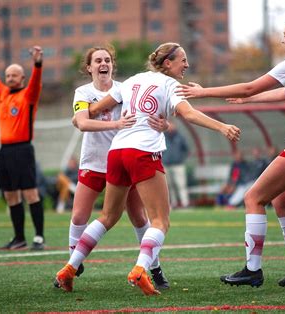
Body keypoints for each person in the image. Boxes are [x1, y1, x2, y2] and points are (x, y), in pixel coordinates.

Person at [55, 42, 240, 295]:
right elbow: (189, 114)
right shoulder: (171, 84)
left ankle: (69, 267)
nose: (186, 65)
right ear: (167, 64)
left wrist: (81, 117)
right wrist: (222, 127)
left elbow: (95, 109)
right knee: (161, 221)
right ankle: (141, 269)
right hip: (142, 153)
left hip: (117, 152)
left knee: (108, 217)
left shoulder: (132, 80)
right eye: (182, 60)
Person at [177, 17, 285, 288]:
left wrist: (202, 92)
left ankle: (252, 269)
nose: (282, 39)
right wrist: (249, 100)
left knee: (253, 198)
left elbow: (250, 85)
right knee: (281, 202)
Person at [54, 45, 173, 291]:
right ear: (89, 68)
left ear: (112, 65)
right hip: (95, 161)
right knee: (79, 215)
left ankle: (155, 269)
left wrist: (163, 125)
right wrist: (115, 123)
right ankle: (72, 264)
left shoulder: (125, 88)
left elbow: (148, 119)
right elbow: (83, 123)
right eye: (97, 60)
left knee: (139, 217)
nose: (103, 63)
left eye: (107, 59)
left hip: (121, 161)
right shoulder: (82, 92)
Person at [0, 34, 45, 250]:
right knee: (9, 195)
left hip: (23, 150)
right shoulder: (2, 93)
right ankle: (19, 238)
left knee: (30, 193)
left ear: (22, 78)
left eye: (14, 75)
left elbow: (36, 81)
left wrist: (38, 63)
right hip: (5, 151)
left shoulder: (28, 95)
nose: (10, 78)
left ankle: (39, 237)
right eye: (8, 75)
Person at [162, 120, 190, 208]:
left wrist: (180, 158)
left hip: (178, 165)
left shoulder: (180, 137)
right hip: (166, 164)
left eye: (172, 125)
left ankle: (185, 203)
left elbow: (186, 150)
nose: (170, 127)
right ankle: (172, 203)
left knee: (181, 184)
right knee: (168, 186)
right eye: (169, 125)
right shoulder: (162, 137)